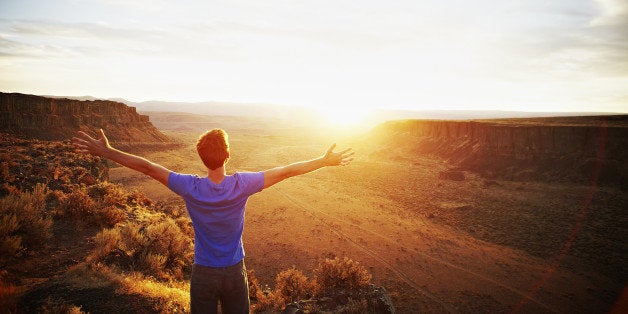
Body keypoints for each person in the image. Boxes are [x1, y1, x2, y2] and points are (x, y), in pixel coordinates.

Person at [72, 128, 354, 314]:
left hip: (204, 272)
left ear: (201, 157)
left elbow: (147, 167)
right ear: (228, 155)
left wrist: (106, 152)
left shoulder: (189, 187)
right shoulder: (242, 184)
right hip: (234, 271)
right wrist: (323, 161)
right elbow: (286, 171)